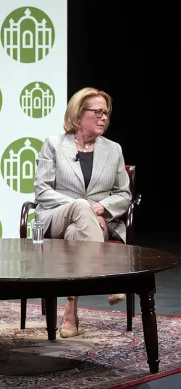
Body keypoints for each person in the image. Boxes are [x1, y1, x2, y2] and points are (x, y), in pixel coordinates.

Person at [34, 87, 132, 338]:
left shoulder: (114, 150)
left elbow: (124, 193)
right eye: (97, 112)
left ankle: (70, 311)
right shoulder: (54, 145)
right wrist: (86, 207)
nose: (104, 117)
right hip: (55, 216)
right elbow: (42, 192)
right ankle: (109, 279)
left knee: (75, 233)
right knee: (79, 207)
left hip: (96, 222)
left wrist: (102, 207)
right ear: (78, 115)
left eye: (106, 113)